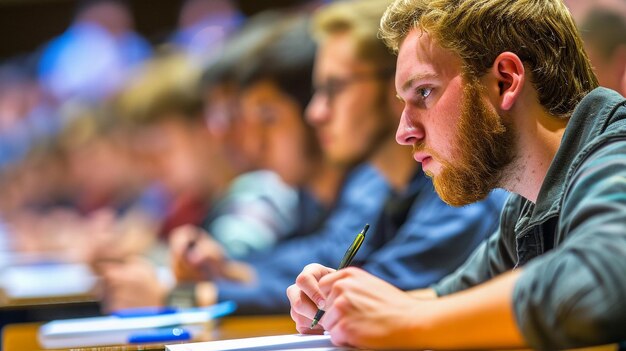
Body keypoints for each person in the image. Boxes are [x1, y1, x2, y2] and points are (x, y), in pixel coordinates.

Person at [101, 0, 506, 315]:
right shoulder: (377, 185)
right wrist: (231, 270)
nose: (317, 112)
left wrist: (184, 294)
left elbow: (377, 286)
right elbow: (325, 254)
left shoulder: (461, 183)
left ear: (391, 86)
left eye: (334, 88)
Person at [287, 0, 626, 349]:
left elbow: (607, 276)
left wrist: (407, 321)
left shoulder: (616, 152)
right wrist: (345, 308)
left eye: (424, 92)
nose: (404, 132)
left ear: (505, 81)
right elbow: (448, 298)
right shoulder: (527, 203)